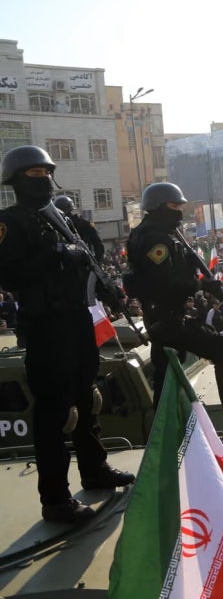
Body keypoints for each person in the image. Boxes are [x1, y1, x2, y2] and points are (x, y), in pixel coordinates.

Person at [0, 145, 134, 522]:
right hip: (45, 327)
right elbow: (9, 276)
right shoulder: (11, 222)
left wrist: (99, 281)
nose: (42, 179)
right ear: (15, 180)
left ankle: (94, 469)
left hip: (76, 320)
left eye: (46, 173)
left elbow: (87, 257)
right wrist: (58, 253)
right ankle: (55, 499)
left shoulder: (57, 217)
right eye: (33, 174)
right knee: (54, 412)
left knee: (86, 398)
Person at [124, 182, 223, 440]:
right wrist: (202, 284)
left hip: (161, 317)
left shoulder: (155, 232)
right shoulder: (155, 238)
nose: (179, 211)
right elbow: (165, 282)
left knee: (165, 374)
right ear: (158, 206)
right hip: (167, 317)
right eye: (174, 206)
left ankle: (161, 434)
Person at [53, 194, 105, 260]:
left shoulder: (85, 224)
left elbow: (97, 243)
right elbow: (98, 243)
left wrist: (96, 260)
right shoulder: (57, 225)